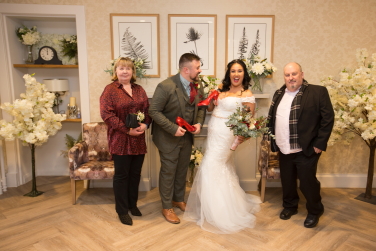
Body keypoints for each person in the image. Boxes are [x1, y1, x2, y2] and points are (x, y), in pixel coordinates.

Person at [184, 59, 261, 234]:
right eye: (233, 71)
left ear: (244, 74)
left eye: (239, 71)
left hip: (227, 135)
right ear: (229, 73)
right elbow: (211, 109)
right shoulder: (221, 88)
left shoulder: (247, 93)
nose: (236, 74)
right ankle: (217, 206)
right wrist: (211, 96)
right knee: (220, 167)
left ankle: (220, 212)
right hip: (214, 131)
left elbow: (248, 121)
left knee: (211, 165)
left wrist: (240, 136)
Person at [267, 62, 334, 228]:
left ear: (301, 74)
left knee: (307, 182)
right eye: (287, 75)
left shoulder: (318, 92)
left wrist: (319, 143)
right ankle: (290, 206)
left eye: (294, 74)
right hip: (284, 147)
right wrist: (272, 140)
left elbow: (328, 119)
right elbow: (272, 118)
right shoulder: (279, 93)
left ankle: (315, 210)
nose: (291, 78)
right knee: (288, 181)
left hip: (307, 148)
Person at [149, 53, 206, 224]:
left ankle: (178, 199)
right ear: (186, 69)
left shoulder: (199, 86)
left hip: (187, 138)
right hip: (167, 137)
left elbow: (202, 107)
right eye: (197, 67)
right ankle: (167, 207)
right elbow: (153, 111)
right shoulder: (165, 86)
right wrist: (173, 128)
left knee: (182, 169)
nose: (200, 70)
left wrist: (199, 124)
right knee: (168, 171)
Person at [100, 57, 152, 226]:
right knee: (122, 176)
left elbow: (148, 110)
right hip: (120, 139)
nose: (124, 71)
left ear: (133, 72)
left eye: (128, 69)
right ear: (115, 71)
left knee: (135, 175)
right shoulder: (109, 90)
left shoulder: (139, 90)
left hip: (138, 139)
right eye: (121, 68)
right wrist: (126, 129)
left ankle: (132, 205)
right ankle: (122, 211)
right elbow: (107, 115)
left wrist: (145, 124)